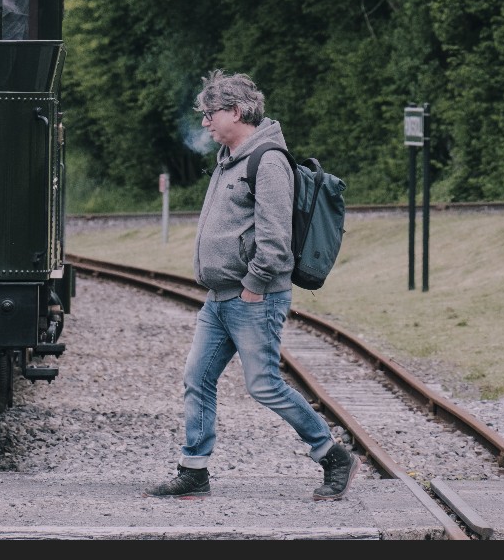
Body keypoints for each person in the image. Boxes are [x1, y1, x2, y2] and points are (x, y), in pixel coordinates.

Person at [147, 70, 356, 501]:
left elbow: (276, 239)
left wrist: (254, 287)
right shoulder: (230, 158)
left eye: (210, 113)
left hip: (253, 297)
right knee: (197, 378)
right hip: (219, 299)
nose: (204, 122)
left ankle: (333, 456)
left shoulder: (268, 161)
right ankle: (194, 470)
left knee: (264, 386)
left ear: (237, 112)